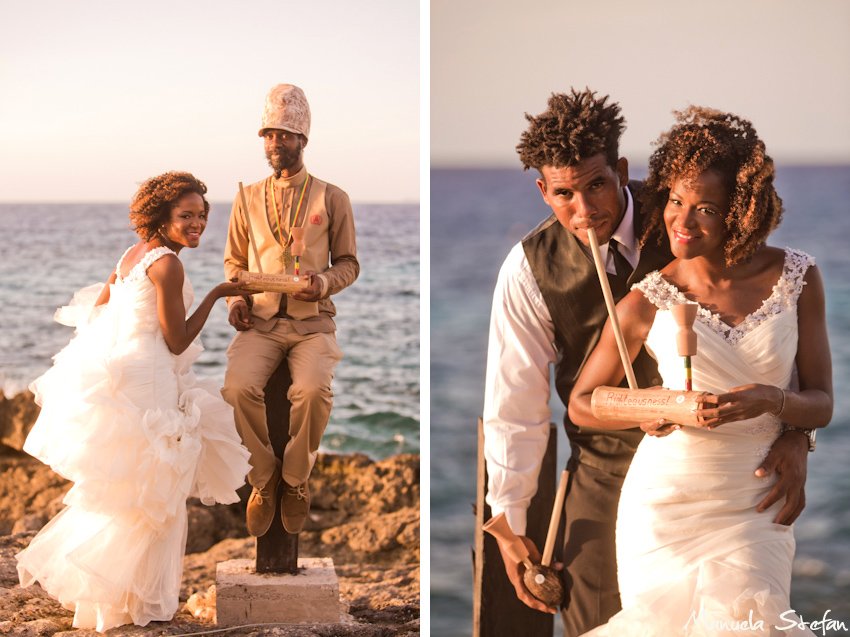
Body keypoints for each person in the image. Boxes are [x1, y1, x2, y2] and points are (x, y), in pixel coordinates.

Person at [482, 90, 813, 635]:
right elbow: (514, 404)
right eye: (563, 193)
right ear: (543, 191)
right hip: (603, 473)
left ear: (621, 170)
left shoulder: (689, 215)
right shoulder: (525, 270)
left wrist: (799, 435)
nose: (584, 210)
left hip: (720, 480)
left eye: (596, 185)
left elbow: (770, 328)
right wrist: (512, 524)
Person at [569, 106, 831, 635]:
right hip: (664, 507)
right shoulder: (649, 297)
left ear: (741, 209)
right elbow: (582, 402)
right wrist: (657, 404)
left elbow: (823, 401)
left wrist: (780, 409)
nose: (682, 222)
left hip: (758, 504)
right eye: (675, 200)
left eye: (705, 208)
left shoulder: (798, 278)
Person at [16, 172, 252, 633]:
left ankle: (107, 605)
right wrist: (218, 294)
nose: (197, 223)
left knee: (127, 489)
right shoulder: (169, 265)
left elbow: (99, 314)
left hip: (128, 375)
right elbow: (179, 341)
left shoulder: (130, 257)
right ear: (161, 217)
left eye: (202, 215)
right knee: (155, 492)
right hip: (151, 381)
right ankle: (139, 604)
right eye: (186, 216)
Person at [222, 83, 359, 537]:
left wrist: (322, 283)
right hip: (259, 324)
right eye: (268, 135)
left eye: (284, 135)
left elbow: (350, 264)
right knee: (237, 389)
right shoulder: (245, 198)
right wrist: (237, 301)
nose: (275, 143)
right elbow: (234, 263)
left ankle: (296, 481)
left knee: (313, 392)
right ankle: (264, 480)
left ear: (303, 139)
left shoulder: (332, 197)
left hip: (313, 324)